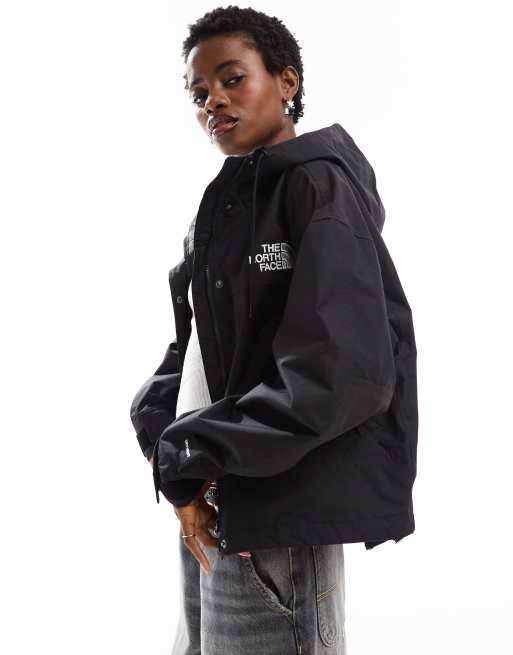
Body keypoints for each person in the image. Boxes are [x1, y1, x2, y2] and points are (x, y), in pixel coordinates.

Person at [129, 6, 418, 655]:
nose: (213, 101)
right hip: (211, 496)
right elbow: (197, 347)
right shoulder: (227, 207)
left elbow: (341, 374)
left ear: (287, 80)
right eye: (199, 93)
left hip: (275, 518)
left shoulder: (316, 187)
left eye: (232, 78)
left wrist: (192, 450)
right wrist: (165, 440)